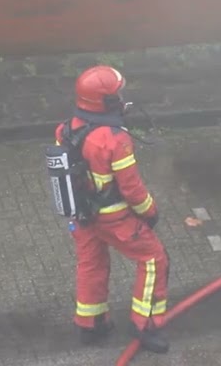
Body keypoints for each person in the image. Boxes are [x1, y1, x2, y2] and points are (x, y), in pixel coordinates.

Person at [54, 65, 170, 353]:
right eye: (118, 92)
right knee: (154, 259)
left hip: (82, 215)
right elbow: (132, 189)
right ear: (106, 101)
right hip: (114, 218)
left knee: (91, 263)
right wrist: (150, 211)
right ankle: (145, 325)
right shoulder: (115, 140)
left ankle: (90, 323)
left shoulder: (65, 129)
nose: (122, 97)